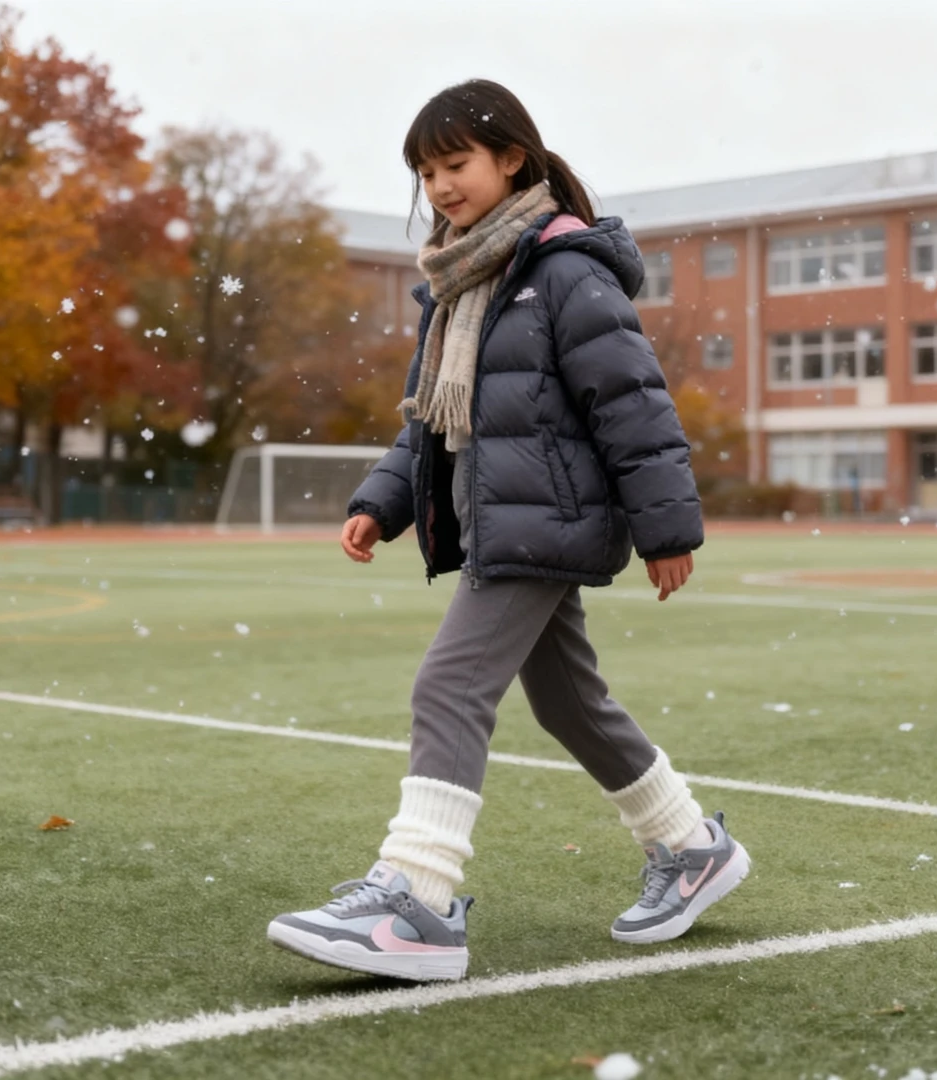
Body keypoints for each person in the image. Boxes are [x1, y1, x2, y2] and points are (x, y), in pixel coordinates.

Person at [268, 79, 749, 982]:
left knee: (447, 688)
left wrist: (668, 525)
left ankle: (421, 899)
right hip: (502, 517)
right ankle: (691, 846)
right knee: (567, 700)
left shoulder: (565, 270)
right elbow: (434, 419)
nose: (441, 186)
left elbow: (631, 399)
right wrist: (384, 499)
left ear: (510, 159)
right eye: (426, 171)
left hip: (547, 516)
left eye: (456, 164)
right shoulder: (461, 282)